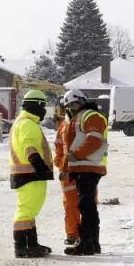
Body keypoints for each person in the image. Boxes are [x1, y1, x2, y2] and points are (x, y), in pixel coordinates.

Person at [61, 89, 108, 256]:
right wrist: (67, 166)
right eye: (69, 105)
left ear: (81, 101)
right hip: (83, 167)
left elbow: (94, 140)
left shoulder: (90, 116)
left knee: (85, 205)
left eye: (74, 103)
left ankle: (87, 243)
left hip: (88, 167)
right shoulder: (79, 118)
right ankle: (92, 243)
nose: (72, 108)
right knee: (87, 206)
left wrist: (76, 155)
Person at [8, 90, 54, 258]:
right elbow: (29, 146)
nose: (44, 111)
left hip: (28, 174)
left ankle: (31, 244)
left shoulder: (24, 122)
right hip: (30, 173)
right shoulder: (27, 124)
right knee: (25, 210)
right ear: (36, 105)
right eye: (43, 107)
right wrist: (39, 165)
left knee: (30, 210)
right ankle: (21, 247)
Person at [53, 103, 80, 245]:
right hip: (67, 172)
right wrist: (59, 161)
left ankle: (86, 235)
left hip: (84, 170)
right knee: (70, 205)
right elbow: (58, 145)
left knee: (86, 204)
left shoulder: (86, 122)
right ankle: (72, 235)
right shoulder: (64, 125)